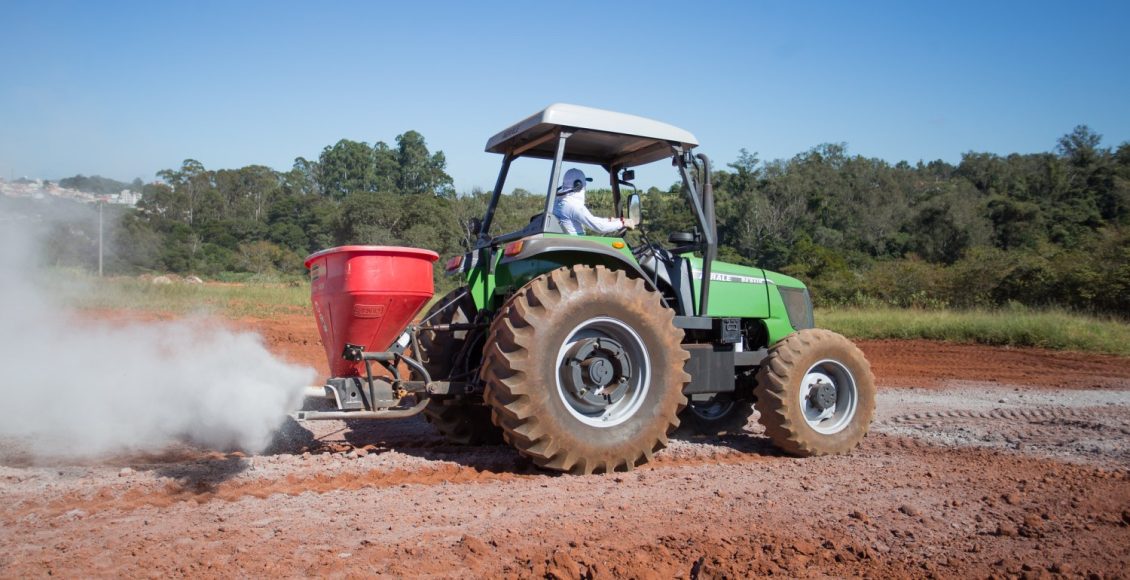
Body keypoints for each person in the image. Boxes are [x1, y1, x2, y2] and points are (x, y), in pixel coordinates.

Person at [551, 168, 638, 235]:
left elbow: (592, 220)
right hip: (575, 247)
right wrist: (622, 223)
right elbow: (599, 227)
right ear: (579, 185)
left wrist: (612, 220)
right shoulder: (573, 206)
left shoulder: (558, 202)